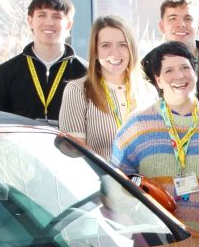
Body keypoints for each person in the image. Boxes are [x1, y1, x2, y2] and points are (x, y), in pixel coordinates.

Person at [112, 40, 199, 231]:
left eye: (185, 67)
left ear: (195, 72)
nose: (179, 76)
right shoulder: (138, 124)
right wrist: (131, 221)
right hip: (155, 241)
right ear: (158, 80)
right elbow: (116, 181)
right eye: (169, 71)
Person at [57, 16, 152, 158]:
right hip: (99, 179)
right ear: (95, 52)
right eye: (106, 45)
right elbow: (74, 156)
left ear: (131, 49)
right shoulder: (77, 91)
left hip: (142, 180)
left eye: (122, 44)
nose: (115, 53)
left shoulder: (148, 92)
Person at [0, 0, 84, 120]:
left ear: (69, 24)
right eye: (42, 15)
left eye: (57, 16)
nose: (49, 22)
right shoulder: (6, 72)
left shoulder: (85, 73)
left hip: (67, 141)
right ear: (30, 21)